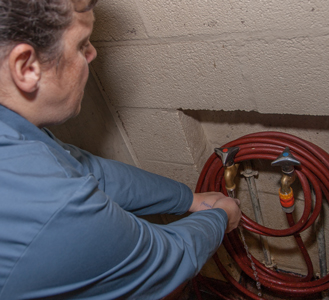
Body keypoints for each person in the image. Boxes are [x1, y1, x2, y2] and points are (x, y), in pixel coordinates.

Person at [0, 0, 241, 299]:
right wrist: (220, 218)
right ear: (26, 67)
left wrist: (187, 199)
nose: (92, 54)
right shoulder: (50, 204)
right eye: (81, 45)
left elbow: (91, 171)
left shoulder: (15, 135)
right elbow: (165, 259)